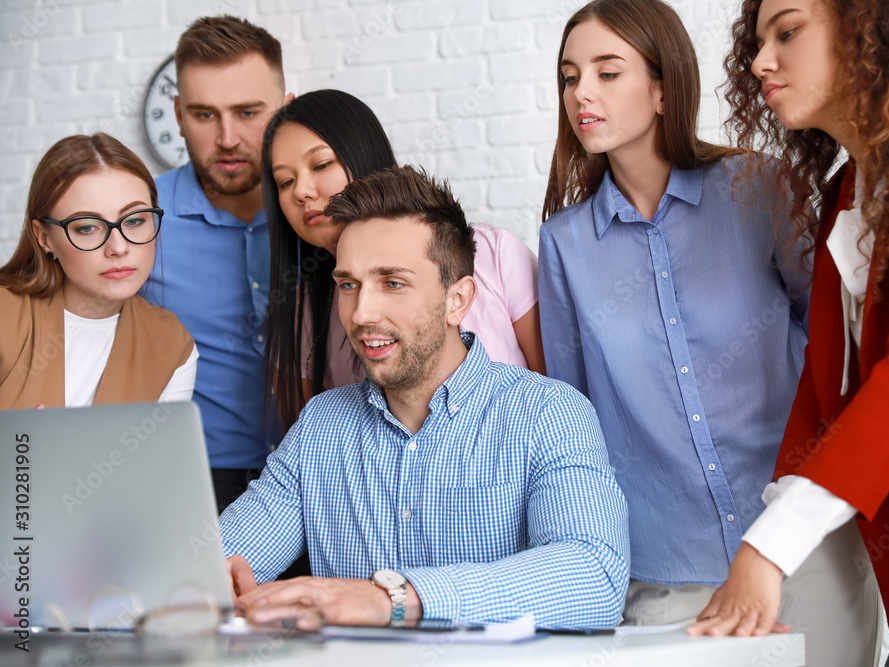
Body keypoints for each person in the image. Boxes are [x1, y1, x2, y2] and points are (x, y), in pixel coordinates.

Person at [538, 1, 879, 664]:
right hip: (665, 573)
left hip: (801, 556)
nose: (582, 93)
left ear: (664, 87)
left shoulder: (759, 189)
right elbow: (573, 419)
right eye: (569, 77)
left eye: (608, 73)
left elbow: (836, 349)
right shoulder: (564, 246)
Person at [689, 1, 889, 664]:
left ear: (873, 31)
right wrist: (769, 551)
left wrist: (769, 549)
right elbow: (822, 397)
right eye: (758, 39)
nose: (760, 61)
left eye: (788, 31)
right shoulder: (849, 195)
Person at [219, 166, 629, 628]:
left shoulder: (549, 414)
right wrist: (204, 575)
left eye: (392, 283)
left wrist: (392, 599)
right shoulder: (321, 425)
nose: (361, 313)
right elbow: (226, 553)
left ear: (458, 300)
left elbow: (595, 577)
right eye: (349, 285)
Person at [261, 89, 545, 431]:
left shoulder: (495, 254)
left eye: (321, 165)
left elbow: (559, 393)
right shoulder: (301, 312)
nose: (301, 191)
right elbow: (308, 452)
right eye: (284, 181)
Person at [141, 16, 292, 513]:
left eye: (249, 112)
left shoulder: (321, 216)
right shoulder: (137, 221)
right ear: (180, 115)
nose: (228, 138)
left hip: (325, 476)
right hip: (195, 485)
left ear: (286, 111)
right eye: (205, 115)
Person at [0, 134, 196, 409]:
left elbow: (158, 453)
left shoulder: (173, 345)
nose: (118, 247)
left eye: (135, 220)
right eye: (87, 227)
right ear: (44, 238)